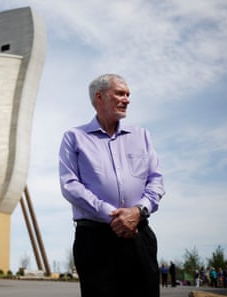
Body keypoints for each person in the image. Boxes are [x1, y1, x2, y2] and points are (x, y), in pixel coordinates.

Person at [59, 73, 165, 297]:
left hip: (139, 233)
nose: (126, 99)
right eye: (119, 93)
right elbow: (70, 184)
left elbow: (156, 180)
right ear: (99, 97)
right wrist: (113, 215)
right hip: (95, 240)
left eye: (127, 95)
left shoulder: (142, 136)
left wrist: (138, 211)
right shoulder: (74, 137)